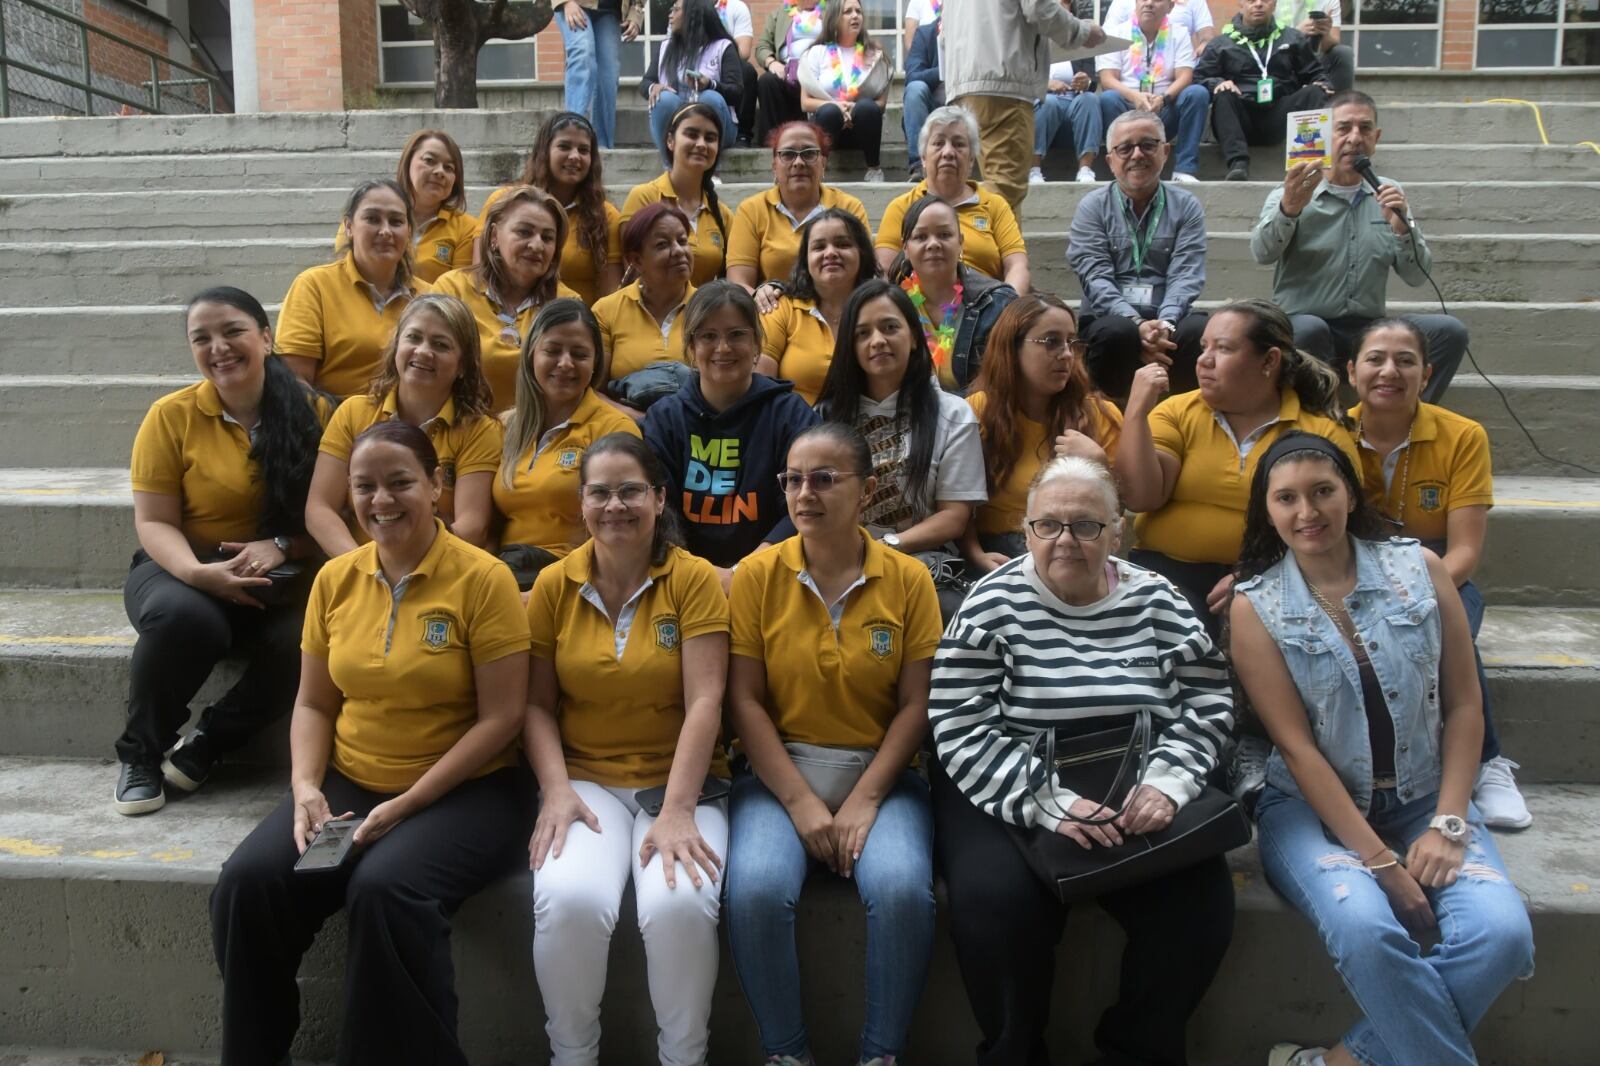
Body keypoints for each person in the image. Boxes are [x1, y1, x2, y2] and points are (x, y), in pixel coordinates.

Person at [210, 420, 533, 1066]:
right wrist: (305, 786)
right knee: (248, 884)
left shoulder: (482, 579)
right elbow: (312, 702)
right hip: (352, 779)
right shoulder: (335, 580)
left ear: (437, 486)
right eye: (363, 487)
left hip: (470, 788)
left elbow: (501, 719)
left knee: (387, 891)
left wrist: (410, 803)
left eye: (399, 482)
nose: (380, 501)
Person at [1230, 431, 1534, 1066]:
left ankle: (1339, 1062)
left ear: (1350, 494)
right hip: (1309, 811)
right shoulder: (1254, 607)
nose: (1306, 513)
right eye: (1286, 499)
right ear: (1267, 510)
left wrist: (1450, 822)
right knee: (1368, 932)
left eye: (1322, 492)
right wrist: (1379, 863)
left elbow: (1464, 705)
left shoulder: (1417, 569)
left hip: (1425, 795)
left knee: (1501, 934)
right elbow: (1297, 748)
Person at [929, 456, 1237, 1066]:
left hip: (1136, 777)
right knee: (994, 906)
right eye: (1049, 526)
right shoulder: (990, 604)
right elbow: (959, 723)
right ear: (1026, 532)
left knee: (1199, 907)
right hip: (1013, 779)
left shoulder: (1157, 599)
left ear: (1117, 533)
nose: (1065, 540)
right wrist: (1050, 802)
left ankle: (1134, 1052)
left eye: (1086, 526)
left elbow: (1207, 698)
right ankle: (1015, 1054)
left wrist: (1169, 782)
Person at [725, 421, 943, 1066]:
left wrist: (865, 799)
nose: (804, 493)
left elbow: (916, 705)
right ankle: (786, 1053)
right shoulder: (758, 575)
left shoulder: (909, 580)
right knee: (757, 890)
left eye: (824, 478)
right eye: (792, 479)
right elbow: (744, 702)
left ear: (867, 489)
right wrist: (799, 803)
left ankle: (882, 1054)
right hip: (778, 773)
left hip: (882, 775)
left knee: (903, 890)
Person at [524, 432, 731, 1066]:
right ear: (581, 502)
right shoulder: (555, 584)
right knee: (570, 900)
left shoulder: (692, 581)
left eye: (631, 491)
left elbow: (706, 701)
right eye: (600, 492)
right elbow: (533, 705)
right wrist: (556, 791)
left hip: (683, 782)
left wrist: (677, 810)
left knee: (680, 903)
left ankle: (683, 1058)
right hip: (585, 779)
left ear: (660, 498)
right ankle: (573, 1056)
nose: (615, 505)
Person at [116, 287, 333, 816]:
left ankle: (208, 744)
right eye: (202, 338)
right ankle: (140, 753)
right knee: (187, 620)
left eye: (232, 331)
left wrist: (283, 545)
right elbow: (154, 521)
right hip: (180, 565)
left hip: (281, 570)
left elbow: (338, 511)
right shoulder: (171, 417)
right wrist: (198, 572)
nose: (219, 347)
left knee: (315, 637)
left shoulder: (316, 413)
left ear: (265, 336)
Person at [1347, 319, 1530, 828]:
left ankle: (1487, 763)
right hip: (1351, 572)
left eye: (1405, 360)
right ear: (1351, 371)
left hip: (1439, 570)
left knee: (1447, 631)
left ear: (1426, 374)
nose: (1390, 371)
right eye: (1375, 359)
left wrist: (1419, 597)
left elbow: (1466, 549)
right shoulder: (1331, 433)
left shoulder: (1462, 435)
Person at [1116, 297, 1358, 637]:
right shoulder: (1176, 412)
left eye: (1224, 349)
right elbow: (1142, 497)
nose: (1204, 361)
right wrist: (1136, 413)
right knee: (1175, 629)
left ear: (1269, 361)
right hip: (1167, 572)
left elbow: (1337, 526)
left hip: (1281, 572)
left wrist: (1259, 574)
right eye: (1203, 348)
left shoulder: (1318, 429)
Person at [1251, 89, 1467, 402]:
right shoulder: (1292, 190)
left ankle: (1405, 419)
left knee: (1449, 331)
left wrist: (1402, 228)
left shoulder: (1388, 193)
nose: (1355, 138)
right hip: (1304, 325)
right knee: (1311, 329)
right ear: (1325, 134)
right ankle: (1314, 424)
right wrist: (1290, 208)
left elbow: (1417, 276)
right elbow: (1261, 252)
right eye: (1343, 128)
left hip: (1367, 328)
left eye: (1365, 129)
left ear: (1376, 138)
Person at [815, 279, 987, 615]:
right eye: (862, 333)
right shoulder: (824, 417)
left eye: (890, 327)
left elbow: (953, 516)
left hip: (922, 566)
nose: (877, 341)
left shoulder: (952, 413)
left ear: (912, 337)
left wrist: (883, 547)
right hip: (835, 564)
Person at [643, 282, 820, 592]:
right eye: (708, 336)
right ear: (691, 346)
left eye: (736, 334)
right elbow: (658, 510)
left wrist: (744, 571)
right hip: (683, 580)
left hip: (775, 576)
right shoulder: (664, 418)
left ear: (757, 343)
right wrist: (700, 575)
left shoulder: (791, 413)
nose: (723, 348)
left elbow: (806, 504)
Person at [305, 294, 502, 559]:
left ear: (463, 366)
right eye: (413, 338)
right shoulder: (353, 413)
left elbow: (472, 526)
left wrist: (404, 566)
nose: (423, 351)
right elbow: (319, 509)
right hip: (357, 566)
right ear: (396, 346)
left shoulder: (479, 430)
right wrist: (361, 567)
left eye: (441, 345)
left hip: (441, 570)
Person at [962, 294, 1123, 572]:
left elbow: (1116, 515)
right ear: (1012, 348)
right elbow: (955, 501)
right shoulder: (978, 411)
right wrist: (976, 554)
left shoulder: (1099, 414)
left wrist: (1099, 464)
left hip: (1078, 549)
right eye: (1051, 342)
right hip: (998, 555)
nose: (1067, 354)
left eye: (1071, 342)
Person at [493, 299, 642, 587]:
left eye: (579, 354)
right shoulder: (506, 427)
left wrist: (543, 594)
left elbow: (624, 534)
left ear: (596, 361)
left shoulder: (614, 430)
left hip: (574, 579)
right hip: (505, 572)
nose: (565, 363)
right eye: (552, 350)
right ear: (531, 354)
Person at [1067, 108, 1209, 400]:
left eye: (1148, 145)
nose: (1137, 155)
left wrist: (1164, 325)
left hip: (1169, 317)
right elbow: (1095, 278)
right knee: (1117, 333)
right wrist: (1137, 325)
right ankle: (1110, 422)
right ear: (1110, 160)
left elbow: (1186, 274)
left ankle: (1181, 419)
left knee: (1198, 330)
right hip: (1111, 318)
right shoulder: (1092, 207)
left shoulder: (1186, 206)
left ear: (1165, 151)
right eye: (1125, 148)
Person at [942, 0, 1104, 211]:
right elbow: (1038, 7)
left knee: (993, 189)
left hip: (966, 83)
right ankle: (997, 245)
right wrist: (1082, 31)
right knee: (1004, 194)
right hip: (1003, 83)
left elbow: (944, 31)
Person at [276, 179, 429, 399]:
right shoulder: (315, 286)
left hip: (410, 426)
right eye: (372, 219)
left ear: (409, 232)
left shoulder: (428, 296)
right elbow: (295, 383)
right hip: (333, 423)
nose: (385, 231)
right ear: (349, 227)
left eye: (396, 222)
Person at [433, 185, 580, 411]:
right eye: (524, 232)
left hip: (537, 437)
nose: (537, 245)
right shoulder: (452, 289)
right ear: (494, 235)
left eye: (547, 237)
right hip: (461, 432)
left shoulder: (568, 305)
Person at [876, 106, 1031, 294]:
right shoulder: (902, 207)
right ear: (923, 157)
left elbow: (1017, 266)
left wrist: (1006, 310)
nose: (948, 152)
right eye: (938, 143)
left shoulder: (994, 205)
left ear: (972, 159)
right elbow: (885, 273)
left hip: (985, 310)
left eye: (958, 144)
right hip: (918, 312)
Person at [479, 111, 622, 307]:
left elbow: (610, 297)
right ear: (544, 151)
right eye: (564, 146)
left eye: (583, 150)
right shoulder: (504, 202)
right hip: (499, 317)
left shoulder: (606, 215)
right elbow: (480, 273)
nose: (574, 156)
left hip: (575, 324)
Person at [889, 195, 1018, 392]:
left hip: (977, 417)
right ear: (905, 247)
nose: (933, 244)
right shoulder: (892, 306)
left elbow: (1007, 385)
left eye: (944, 235)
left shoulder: (997, 303)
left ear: (960, 242)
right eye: (921, 237)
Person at [1193, 0, 1332, 181]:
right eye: (1252, 0)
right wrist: (1218, 83)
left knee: (1315, 92)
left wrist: (1322, 84)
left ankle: (1309, 163)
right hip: (1240, 118)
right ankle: (1238, 164)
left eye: (1265, 0)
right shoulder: (1220, 43)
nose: (1258, 4)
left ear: (1274, 4)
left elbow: (1316, 73)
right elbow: (1199, 78)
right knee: (1223, 94)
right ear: (1241, 4)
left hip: (1279, 114)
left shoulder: (1293, 38)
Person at [727, 122, 870, 295]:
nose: (799, 162)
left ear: (824, 162)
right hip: (771, 314)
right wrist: (758, 296)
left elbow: (866, 273)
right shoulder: (752, 210)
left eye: (809, 154)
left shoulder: (849, 207)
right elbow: (738, 282)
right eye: (788, 154)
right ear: (774, 165)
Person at [758, 207, 882, 405]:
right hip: (795, 429)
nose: (831, 253)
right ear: (806, 260)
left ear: (862, 253)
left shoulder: (881, 309)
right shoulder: (782, 308)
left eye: (842, 244)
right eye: (819, 247)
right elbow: (761, 388)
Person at [333, 130, 478, 285]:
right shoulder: (364, 215)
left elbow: (459, 291)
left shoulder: (466, 228)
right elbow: (345, 276)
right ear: (408, 162)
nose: (440, 172)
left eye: (449, 168)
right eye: (429, 160)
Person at [1098, 0, 1212, 185]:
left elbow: (1185, 76)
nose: (1149, 4)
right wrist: (1134, 96)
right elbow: (1107, 79)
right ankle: (1120, 167)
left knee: (1197, 94)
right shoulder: (1117, 33)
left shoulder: (1179, 33)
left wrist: (1164, 99)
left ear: (1170, 6)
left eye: (1157, 0)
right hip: (1127, 109)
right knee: (1108, 98)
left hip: (1164, 109)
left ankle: (1184, 169)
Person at [621, 102, 733, 287]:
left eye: (710, 138)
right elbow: (633, 274)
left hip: (703, 313)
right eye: (692, 134)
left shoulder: (723, 215)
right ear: (670, 141)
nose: (701, 144)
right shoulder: (644, 198)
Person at [594, 203, 698, 387]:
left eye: (682, 241)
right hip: (624, 414)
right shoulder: (606, 311)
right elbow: (594, 391)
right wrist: (638, 416)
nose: (679, 251)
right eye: (662, 245)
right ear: (636, 260)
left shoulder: (710, 308)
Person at [798, 0, 893, 184]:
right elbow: (805, 102)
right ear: (835, 18)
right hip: (828, 128)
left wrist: (853, 108)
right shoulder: (817, 53)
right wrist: (838, 106)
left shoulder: (874, 54)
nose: (855, 15)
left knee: (867, 107)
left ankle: (874, 169)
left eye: (858, 11)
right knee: (829, 111)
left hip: (862, 130)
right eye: (847, 12)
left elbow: (880, 103)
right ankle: (819, 170)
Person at [642, 0, 743, 159]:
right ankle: (670, 165)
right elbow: (645, 82)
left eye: (676, 10)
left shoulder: (723, 46)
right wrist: (653, 87)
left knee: (710, 97)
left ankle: (711, 168)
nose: (670, 15)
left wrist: (710, 84)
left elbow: (737, 92)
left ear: (693, 15)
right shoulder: (666, 47)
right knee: (663, 99)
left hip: (720, 126)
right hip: (678, 122)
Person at [555, 0, 645, 149]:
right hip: (575, 4)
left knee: (609, 73)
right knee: (582, 53)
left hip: (610, 11)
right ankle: (570, 137)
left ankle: (601, 146)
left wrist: (635, 12)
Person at [752, 0, 827, 146]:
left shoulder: (830, 12)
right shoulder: (781, 13)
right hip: (788, 72)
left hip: (820, 73)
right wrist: (772, 62)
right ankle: (770, 142)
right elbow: (762, 46)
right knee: (767, 81)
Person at [1029, 62, 1102, 185]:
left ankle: (1085, 169)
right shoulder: (1029, 47)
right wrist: (1044, 84)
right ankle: (1034, 170)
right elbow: (1016, 77)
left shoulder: (1078, 47)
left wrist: (1086, 82)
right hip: (1040, 103)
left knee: (1090, 99)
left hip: (1074, 103)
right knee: (1048, 101)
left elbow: (1092, 82)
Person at [902, 15, 945, 183]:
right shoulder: (926, 33)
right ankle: (918, 166)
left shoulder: (974, 34)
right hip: (931, 108)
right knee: (915, 89)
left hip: (967, 105)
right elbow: (912, 76)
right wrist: (946, 69)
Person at [1276, 0, 1353, 92]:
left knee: (1343, 52)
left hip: (1314, 57)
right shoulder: (1268, 3)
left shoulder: (1329, 1)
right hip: (1281, 56)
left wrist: (1325, 33)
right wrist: (1297, 33)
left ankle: (1340, 102)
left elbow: (1333, 42)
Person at [714, 0, 759, 145]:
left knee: (747, 71)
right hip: (699, 63)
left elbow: (744, 51)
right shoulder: (688, 6)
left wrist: (719, 61)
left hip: (727, 63)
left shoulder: (736, 7)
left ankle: (743, 134)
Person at [1105, 0, 1217, 53]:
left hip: (1178, 66)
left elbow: (1207, 34)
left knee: (1197, 93)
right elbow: (1108, 37)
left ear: (1170, 6)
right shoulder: (1122, 2)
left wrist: (1205, 45)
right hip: (1130, 68)